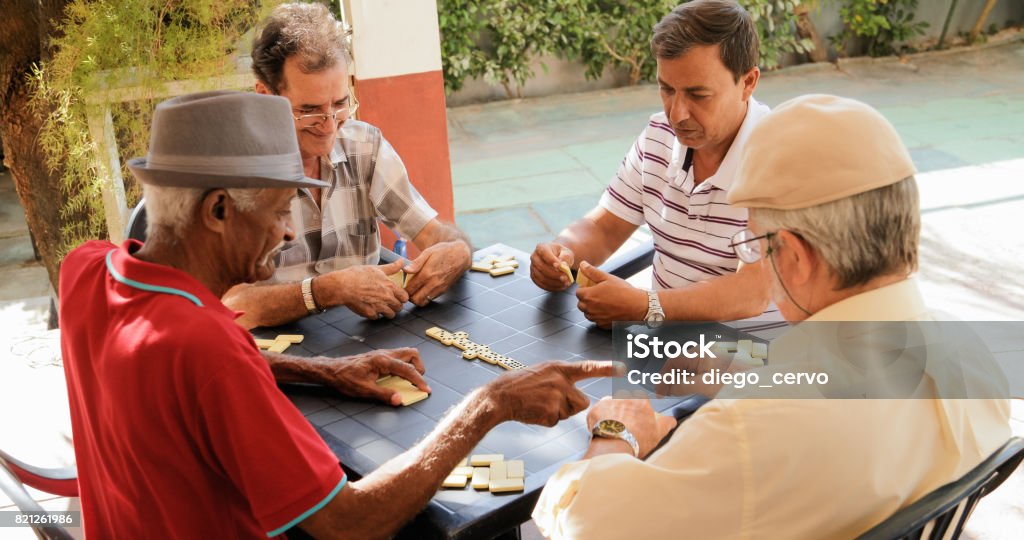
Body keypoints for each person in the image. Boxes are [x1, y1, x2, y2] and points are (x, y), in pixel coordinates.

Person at [59, 91, 617, 538]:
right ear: (219, 209)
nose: (284, 231)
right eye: (279, 213)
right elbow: (349, 523)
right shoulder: (207, 351)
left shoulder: (85, 270)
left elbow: (185, 380)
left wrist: (322, 371)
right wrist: (491, 403)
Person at [530, 94, 1012, 538]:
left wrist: (616, 431)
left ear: (797, 258)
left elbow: (588, 525)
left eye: (758, 243)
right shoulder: (976, 361)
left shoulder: (748, 431)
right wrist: (756, 371)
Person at [222, 2, 472, 329]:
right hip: (274, 358)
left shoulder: (363, 147)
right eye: (309, 110)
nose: (329, 126)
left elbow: (436, 233)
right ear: (265, 96)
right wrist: (329, 290)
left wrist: (457, 251)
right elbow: (231, 304)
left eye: (340, 104)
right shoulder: (234, 175)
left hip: (363, 343)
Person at [530, 0, 772, 329]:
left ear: (748, 82)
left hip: (759, 356)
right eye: (666, 89)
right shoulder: (659, 135)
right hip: (671, 341)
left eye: (698, 95)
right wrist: (562, 253)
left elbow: (753, 291)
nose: (677, 113)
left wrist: (647, 306)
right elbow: (604, 227)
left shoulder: (780, 157)